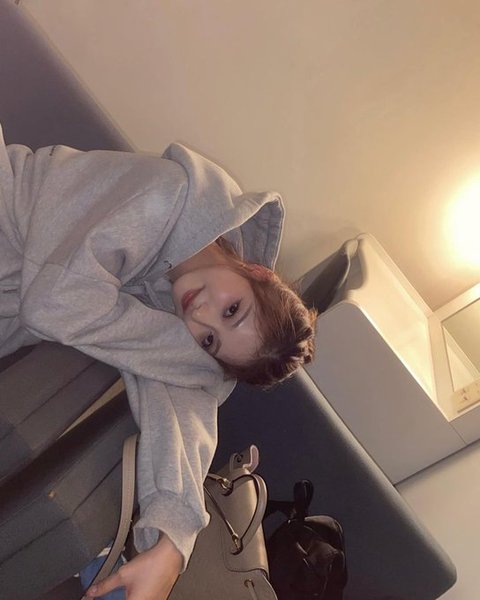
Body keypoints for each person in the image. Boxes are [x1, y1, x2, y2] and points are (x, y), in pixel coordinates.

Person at [0, 127, 316, 599]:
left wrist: (172, 540)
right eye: (233, 309)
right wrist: (192, 356)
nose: (202, 314)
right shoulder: (170, 197)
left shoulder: (172, 301)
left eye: (209, 340)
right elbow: (54, 302)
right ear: (257, 271)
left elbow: (188, 403)